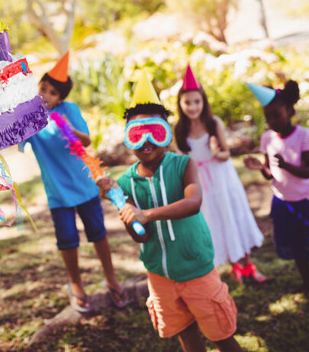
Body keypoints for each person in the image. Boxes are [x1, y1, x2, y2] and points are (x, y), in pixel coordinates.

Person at [98, 72, 242, 352]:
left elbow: (193, 202)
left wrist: (146, 214)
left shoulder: (183, 164)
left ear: (166, 132)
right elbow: (140, 236)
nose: (147, 140)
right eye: (137, 134)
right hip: (159, 275)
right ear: (128, 138)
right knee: (186, 334)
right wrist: (123, 206)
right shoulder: (126, 181)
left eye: (156, 131)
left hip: (197, 269)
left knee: (221, 334)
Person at [20, 51, 128, 312]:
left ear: (61, 98)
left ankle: (110, 276)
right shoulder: (30, 118)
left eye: (52, 92)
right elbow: (18, 141)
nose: (44, 94)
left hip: (84, 185)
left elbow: (87, 141)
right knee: (67, 240)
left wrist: (68, 127)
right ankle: (75, 282)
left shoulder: (69, 110)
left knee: (98, 234)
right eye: (42, 88)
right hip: (58, 192)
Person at [174, 65, 264, 283]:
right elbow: (182, 160)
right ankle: (234, 265)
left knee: (231, 215)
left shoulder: (214, 124)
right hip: (200, 182)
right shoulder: (179, 130)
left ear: (203, 102)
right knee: (215, 219)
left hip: (222, 179)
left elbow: (225, 154)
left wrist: (216, 151)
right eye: (187, 102)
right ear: (180, 104)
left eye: (197, 101)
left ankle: (248, 263)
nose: (193, 107)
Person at [244, 80, 309, 293]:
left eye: (276, 115)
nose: (272, 121)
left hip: (305, 200)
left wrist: (286, 165)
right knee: (296, 246)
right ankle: (307, 281)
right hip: (283, 202)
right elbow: (270, 173)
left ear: (290, 111)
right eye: (268, 117)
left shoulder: (305, 136)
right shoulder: (267, 138)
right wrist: (259, 168)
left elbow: (308, 171)